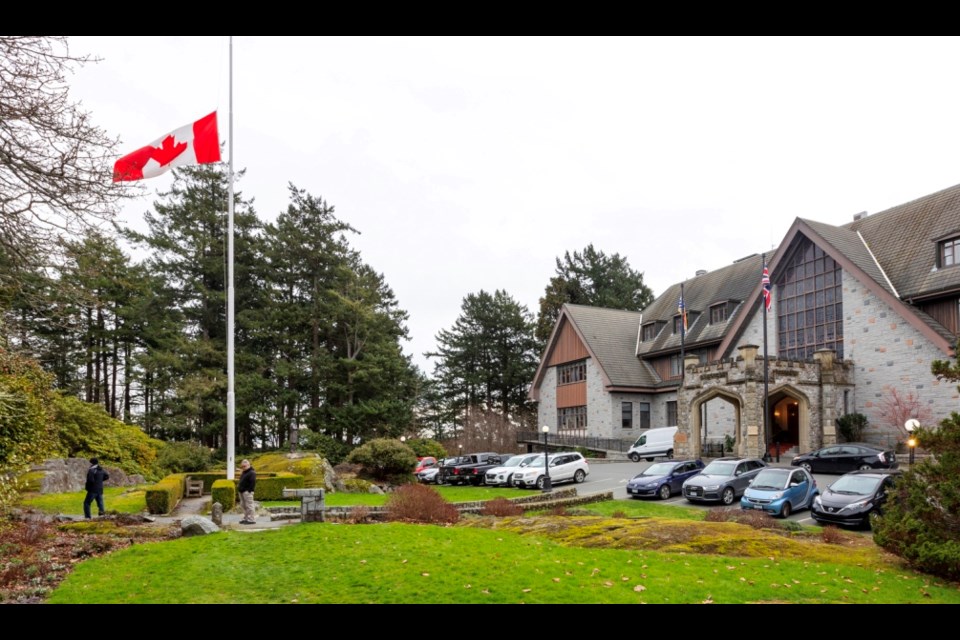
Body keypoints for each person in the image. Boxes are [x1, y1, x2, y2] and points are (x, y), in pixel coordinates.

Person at [237, 459, 257, 524]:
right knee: (244, 506)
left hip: (247, 492)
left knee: (249, 505)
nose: (243, 467)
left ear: (248, 465)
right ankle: (246, 518)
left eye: (244, 466)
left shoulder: (252, 472)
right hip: (242, 491)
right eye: (242, 466)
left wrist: (249, 491)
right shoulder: (244, 472)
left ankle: (251, 519)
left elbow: (253, 483)